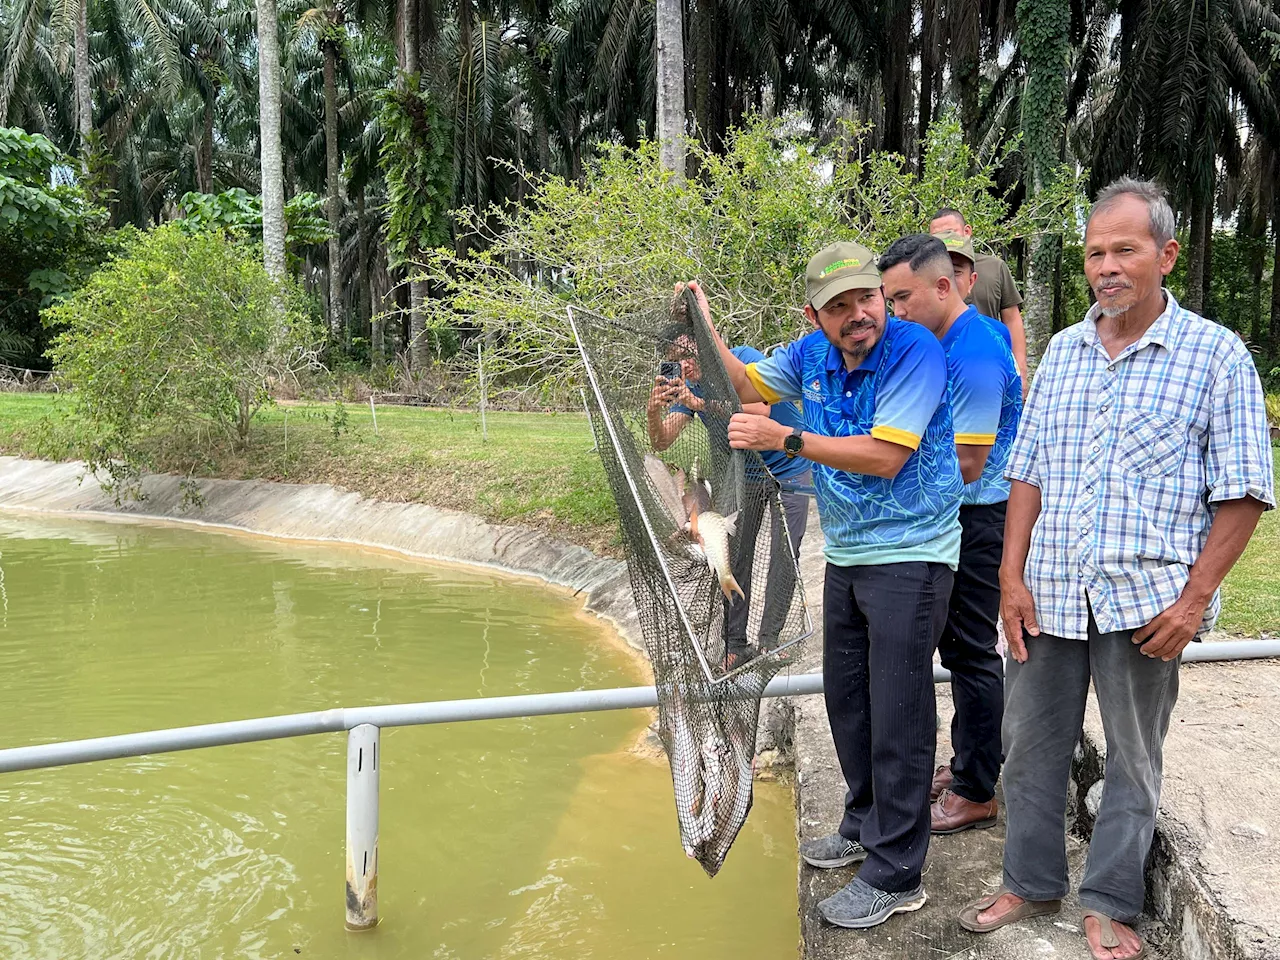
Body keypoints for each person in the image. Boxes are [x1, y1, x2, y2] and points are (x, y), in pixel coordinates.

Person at [958, 177, 1274, 960]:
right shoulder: (1063, 352)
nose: (1107, 265)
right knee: (1028, 744)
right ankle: (1029, 883)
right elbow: (1024, 472)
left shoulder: (1215, 356)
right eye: (1097, 251)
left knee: (1134, 755)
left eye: (1125, 249)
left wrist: (1196, 599)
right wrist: (1010, 577)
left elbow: (1243, 492)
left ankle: (1109, 901)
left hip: (1149, 602)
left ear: (1165, 255)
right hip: (1051, 592)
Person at [688, 240, 963, 929]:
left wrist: (786, 439)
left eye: (866, 297)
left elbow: (886, 453)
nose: (858, 314)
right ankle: (865, 823)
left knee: (899, 711)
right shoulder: (808, 354)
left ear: (882, 296)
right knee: (847, 699)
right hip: (848, 553)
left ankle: (899, 871)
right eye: (839, 306)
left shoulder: (914, 351)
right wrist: (704, 321)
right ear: (815, 315)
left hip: (913, 551)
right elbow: (747, 386)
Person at [877, 234, 1022, 835]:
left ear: (945, 286)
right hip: (959, 512)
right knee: (958, 649)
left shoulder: (977, 351)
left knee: (970, 651)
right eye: (888, 300)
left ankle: (976, 789)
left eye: (902, 297)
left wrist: (879, 460)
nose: (895, 312)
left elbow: (967, 463)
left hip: (982, 515)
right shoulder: (943, 341)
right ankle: (967, 763)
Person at [645, 324, 811, 666]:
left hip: (790, 466)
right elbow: (662, 442)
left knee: (784, 554)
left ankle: (770, 641)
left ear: (705, 341)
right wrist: (653, 411)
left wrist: (701, 403)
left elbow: (761, 411)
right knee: (734, 556)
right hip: (745, 475)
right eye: (677, 360)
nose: (686, 365)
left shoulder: (743, 359)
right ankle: (735, 646)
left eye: (688, 353)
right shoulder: (688, 388)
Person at [929, 208, 1028, 387]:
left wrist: (1020, 371)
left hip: (990, 366)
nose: (943, 240)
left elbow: (1012, 319)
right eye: (936, 237)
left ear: (967, 232)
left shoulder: (994, 267)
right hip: (941, 370)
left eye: (950, 233)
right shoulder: (926, 273)